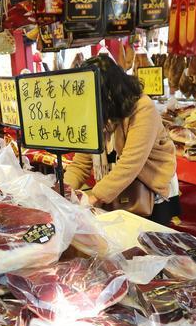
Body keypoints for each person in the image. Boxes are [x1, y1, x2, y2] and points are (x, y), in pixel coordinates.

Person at [64, 54, 179, 225]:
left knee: (148, 241)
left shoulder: (142, 108)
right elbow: (82, 162)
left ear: (111, 90)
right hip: (118, 192)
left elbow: (131, 163)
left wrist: (94, 196)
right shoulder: (96, 111)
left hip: (151, 193)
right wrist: (63, 191)